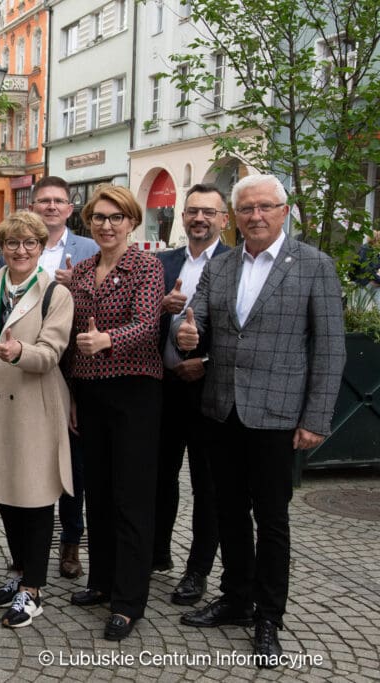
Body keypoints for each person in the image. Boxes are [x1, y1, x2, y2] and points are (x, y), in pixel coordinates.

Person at [175, 174, 345, 667]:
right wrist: (188, 335)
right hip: (222, 408)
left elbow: (330, 350)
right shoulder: (222, 265)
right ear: (236, 215)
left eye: (265, 207)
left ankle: (269, 616)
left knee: (271, 520)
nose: (256, 216)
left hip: (277, 413)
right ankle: (236, 597)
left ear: (283, 211)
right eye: (247, 208)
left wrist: (316, 418)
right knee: (228, 510)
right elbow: (197, 319)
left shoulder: (313, 265)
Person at [0, 211, 75, 629]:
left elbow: (52, 352)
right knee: (8, 493)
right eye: (12, 242)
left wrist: (20, 352)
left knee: (36, 497)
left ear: (41, 247)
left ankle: (34, 590)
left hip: (34, 407)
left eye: (30, 243)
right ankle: (20, 571)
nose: (21, 250)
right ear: (2, 246)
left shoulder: (55, 293)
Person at [66, 186, 164, 642]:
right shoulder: (83, 270)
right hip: (90, 391)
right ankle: (102, 581)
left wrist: (107, 340)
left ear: (132, 222)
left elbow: (147, 324)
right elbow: (72, 337)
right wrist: (72, 392)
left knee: (131, 498)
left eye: (116, 217)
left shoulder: (147, 267)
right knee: (99, 493)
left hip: (134, 391)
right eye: (99, 217)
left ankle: (128, 601)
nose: (107, 225)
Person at [152, 184, 230, 606]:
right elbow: (140, 317)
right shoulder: (163, 262)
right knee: (159, 475)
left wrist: (208, 360)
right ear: (182, 217)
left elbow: (245, 332)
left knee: (208, 484)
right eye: (193, 211)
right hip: (162, 386)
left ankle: (198, 569)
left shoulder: (235, 263)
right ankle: (156, 552)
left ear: (224, 219)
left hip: (209, 388)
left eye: (209, 212)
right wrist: (160, 308)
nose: (200, 218)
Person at [29, 175, 99, 580]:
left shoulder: (88, 249)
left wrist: (79, 286)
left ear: (70, 209)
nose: (51, 206)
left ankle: (71, 541)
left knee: (74, 463)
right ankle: (28, 547)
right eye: (44, 201)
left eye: (58, 201)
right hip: (28, 362)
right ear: (33, 207)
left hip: (74, 365)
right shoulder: (23, 245)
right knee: (33, 457)